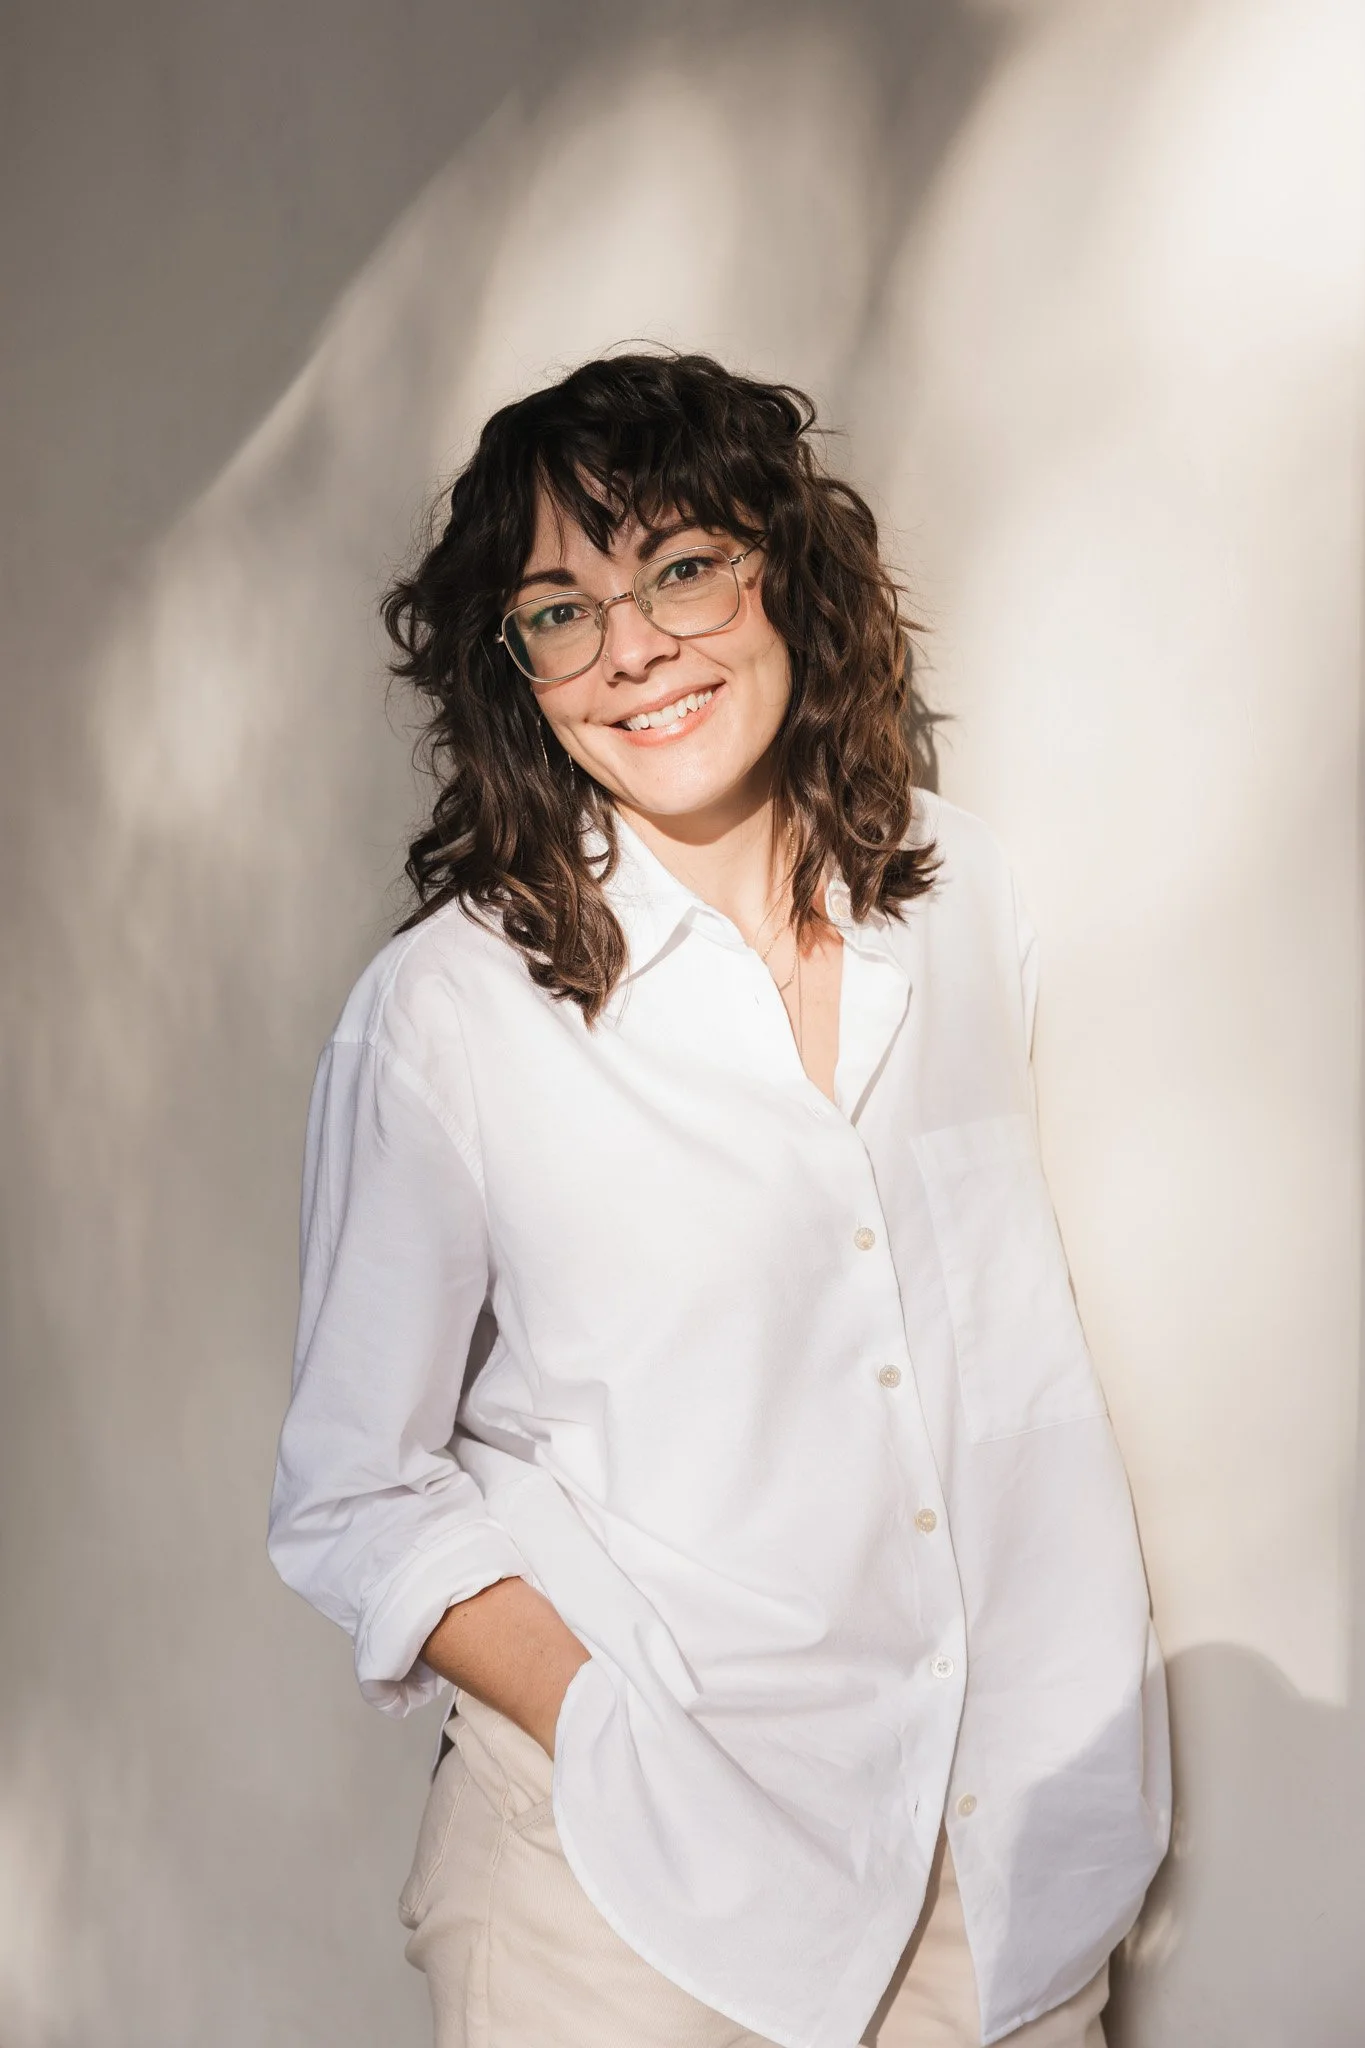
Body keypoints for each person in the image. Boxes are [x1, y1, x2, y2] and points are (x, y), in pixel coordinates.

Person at [266, 350, 1170, 2048]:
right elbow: (350, 1490)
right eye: (560, 611)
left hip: (1008, 1888)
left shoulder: (966, 900)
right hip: (625, 1906)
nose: (632, 650)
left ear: (784, 572)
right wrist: (608, 1729)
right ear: (511, 670)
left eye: (679, 568)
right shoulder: (450, 1014)